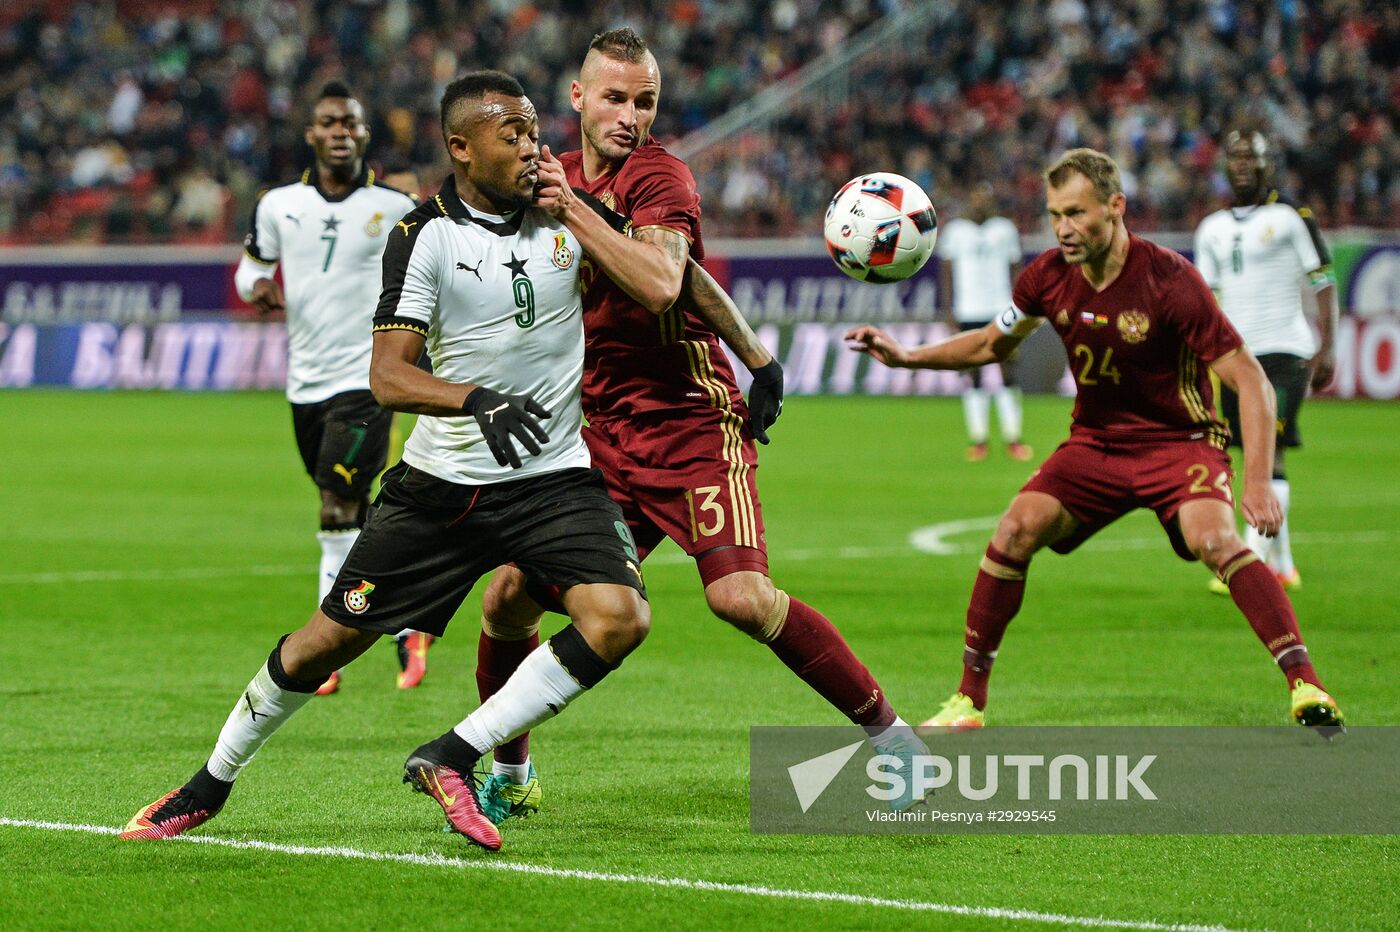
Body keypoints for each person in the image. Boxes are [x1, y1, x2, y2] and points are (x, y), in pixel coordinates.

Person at [121, 71, 655, 851]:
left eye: (537, 132)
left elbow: (664, 282)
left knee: (619, 618)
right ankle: (205, 787)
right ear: (462, 147)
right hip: (444, 490)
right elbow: (389, 376)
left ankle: (451, 754)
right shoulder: (422, 235)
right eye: (514, 135)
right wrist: (476, 399)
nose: (535, 147)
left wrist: (748, 355)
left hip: (552, 478)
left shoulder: (567, 212)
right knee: (326, 642)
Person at [475, 27, 925, 824]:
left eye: (644, 100)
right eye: (614, 97)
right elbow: (692, 282)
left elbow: (659, 282)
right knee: (511, 597)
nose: (630, 115)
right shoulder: (550, 176)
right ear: (576, 98)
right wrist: (759, 351)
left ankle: (893, 740)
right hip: (597, 434)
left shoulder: (659, 175)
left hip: (687, 422)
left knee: (743, 600)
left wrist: (572, 211)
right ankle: (510, 771)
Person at [845, 148, 1344, 735]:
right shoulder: (1047, 276)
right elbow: (988, 345)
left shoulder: (1170, 280)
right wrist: (906, 356)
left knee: (1213, 539)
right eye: (1055, 214)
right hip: (1096, 447)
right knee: (1014, 530)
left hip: (1179, 443)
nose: (1063, 228)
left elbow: (1250, 380)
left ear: (1115, 207)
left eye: (1076, 213)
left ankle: (1305, 682)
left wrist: (1257, 479)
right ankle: (968, 702)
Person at [234, 81, 433, 694]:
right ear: (312, 134)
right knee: (356, 514)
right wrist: (257, 288)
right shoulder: (277, 205)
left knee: (334, 506)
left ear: (365, 134)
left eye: (351, 122)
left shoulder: (396, 206)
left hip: (368, 380)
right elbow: (252, 268)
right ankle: (408, 620)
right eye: (329, 122)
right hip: (306, 383)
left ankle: (321, 654)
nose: (341, 131)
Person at [1194, 129, 1338, 593]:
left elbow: (1323, 278)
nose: (1240, 164)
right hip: (1236, 357)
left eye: (1249, 157)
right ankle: (1286, 564)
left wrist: (1328, 344)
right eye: (1233, 156)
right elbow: (1207, 301)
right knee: (1250, 454)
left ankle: (1249, 560)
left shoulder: (1291, 217)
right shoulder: (1211, 228)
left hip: (1287, 350)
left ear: (1265, 164)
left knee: (1269, 455)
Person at [936, 181, 1030, 461]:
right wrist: (948, 309)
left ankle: (1013, 438)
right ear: (969, 200)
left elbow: (1016, 269)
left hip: (1002, 309)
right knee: (974, 374)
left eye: (984, 198)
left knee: (1008, 372)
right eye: (975, 197)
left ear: (991, 201)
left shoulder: (1004, 229)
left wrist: (1021, 305)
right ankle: (979, 440)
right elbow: (947, 271)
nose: (980, 202)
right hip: (968, 309)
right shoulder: (956, 231)